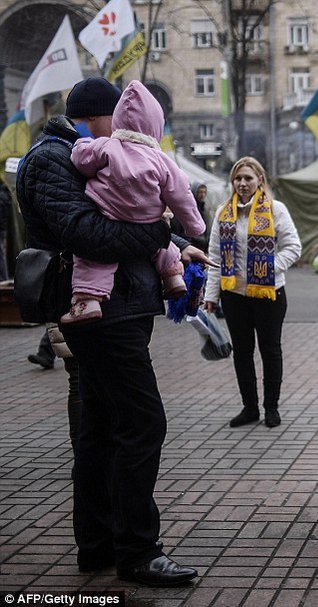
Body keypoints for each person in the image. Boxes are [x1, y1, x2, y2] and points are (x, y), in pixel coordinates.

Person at [16, 76, 198, 586]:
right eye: (116, 115)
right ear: (98, 115)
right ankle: (139, 551)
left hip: (121, 309)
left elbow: (124, 216)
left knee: (99, 430)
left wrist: (174, 243)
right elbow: (86, 232)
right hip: (102, 315)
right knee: (143, 423)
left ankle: (98, 545)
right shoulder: (53, 159)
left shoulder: (92, 153)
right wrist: (162, 228)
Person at [62, 80, 205, 324]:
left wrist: (81, 144)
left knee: (94, 260)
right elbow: (182, 194)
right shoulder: (163, 160)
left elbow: (82, 160)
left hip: (110, 211)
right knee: (161, 244)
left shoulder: (107, 146)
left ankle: (89, 300)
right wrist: (195, 227)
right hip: (149, 216)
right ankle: (173, 278)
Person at [203, 157, 302, 429]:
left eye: (248, 178)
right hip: (234, 296)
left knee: (270, 351)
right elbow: (214, 257)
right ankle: (250, 408)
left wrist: (269, 269)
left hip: (269, 294)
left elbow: (293, 247)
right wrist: (210, 296)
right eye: (238, 178)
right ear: (232, 182)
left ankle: (271, 408)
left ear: (260, 179)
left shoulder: (275, 209)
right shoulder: (224, 212)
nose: (243, 183)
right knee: (242, 353)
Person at [172, 181, 210, 252]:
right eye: (200, 192)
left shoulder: (204, 209)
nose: (202, 195)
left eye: (204, 192)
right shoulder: (188, 208)